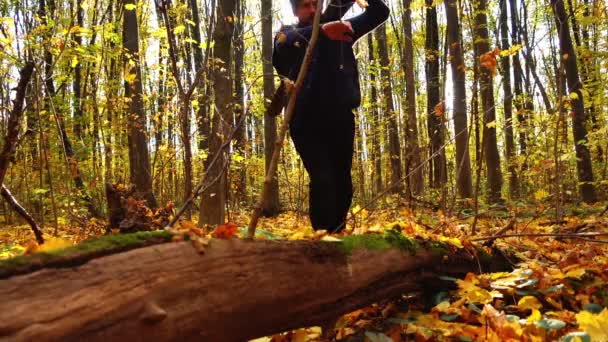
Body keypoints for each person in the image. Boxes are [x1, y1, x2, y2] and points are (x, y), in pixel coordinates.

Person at [272, 0, 389, 233]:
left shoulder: (340, 27)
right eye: (306, 5)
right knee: (323, 180)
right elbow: (282, 48)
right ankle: (322, 239)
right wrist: (323, 31)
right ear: (295, 11)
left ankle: (338, 235)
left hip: (340, 118)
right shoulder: (288, 34)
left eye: (316, 4)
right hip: (305, 120)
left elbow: (380, 12)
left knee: (343, 183)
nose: (313, 10)